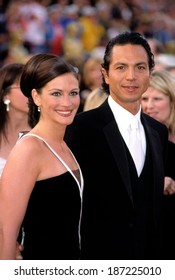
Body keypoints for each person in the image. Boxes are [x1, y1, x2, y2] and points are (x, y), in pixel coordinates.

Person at [65, 31, 168, 260]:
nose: (131, 76)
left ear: (151, 73)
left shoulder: (159, 132)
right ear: (106, 74)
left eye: (140, 67)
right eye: (121, 67)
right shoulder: (79, 128)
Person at [0, 54, 83, 260]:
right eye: (56, 93)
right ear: (36, 97)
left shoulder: (67, 143)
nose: (67, 102)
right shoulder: (29, 148)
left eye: (73, 93)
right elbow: (5, 231)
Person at [141, 69, 175, 259]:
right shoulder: (139, 141)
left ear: (172, 100)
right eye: (144, 100)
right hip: (156, 238)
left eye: (157, 99)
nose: (149, 106)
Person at [0, 63, 31, 176]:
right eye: (23, 88)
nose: (31, 93)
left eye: (34, 87)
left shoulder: (42, 134)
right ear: (5, 95)